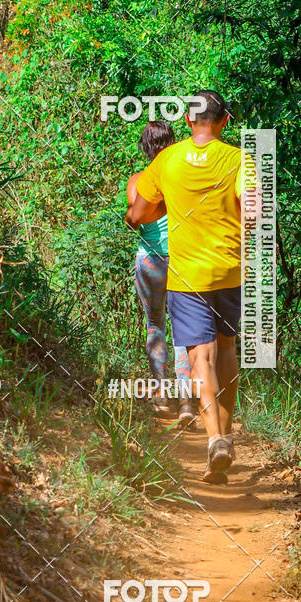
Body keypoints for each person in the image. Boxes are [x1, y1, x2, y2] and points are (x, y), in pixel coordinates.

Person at [126, 91, 250, 484]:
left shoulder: (168, 160)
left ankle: (214, 438)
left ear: (187, 121)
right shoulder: (239, 159)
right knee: (227, 347)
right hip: (229, 271)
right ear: (224, 121)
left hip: (187, 276)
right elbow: (257, 210)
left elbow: (137, 214)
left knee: (201, 357)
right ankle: (225, 436)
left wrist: (167, 206)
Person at [126, 121, 193, 427]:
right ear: (172, 143)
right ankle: (187, 403)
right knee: (184, 330)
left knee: (155, 325)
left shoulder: (138, 181)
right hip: (182, 260)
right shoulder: (186, 179)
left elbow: (133, 218)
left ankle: (161, 395)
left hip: (150, 261)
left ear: (145, 146)